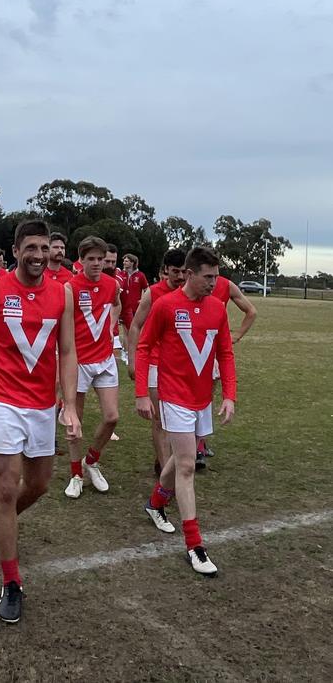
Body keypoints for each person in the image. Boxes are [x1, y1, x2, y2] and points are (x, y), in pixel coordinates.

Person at [0, 219, 81, 624]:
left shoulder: (63, 295)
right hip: (3, 401)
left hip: (42, 406)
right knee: (6, 488)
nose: (39, 255)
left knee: (38, 485)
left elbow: (69, 352)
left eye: (45, 247)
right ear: (16, 248)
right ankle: (11, 581)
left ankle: (2, 522)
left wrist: (70, 405)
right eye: (31, 248)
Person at [135, 247, 236, 577]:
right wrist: (141, 394)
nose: (214, 283)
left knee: (181, 459)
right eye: (208, 277)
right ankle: (195, 545)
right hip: (173, 397)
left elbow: (225, 352)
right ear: (189, 274)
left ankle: (155, 502)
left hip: (202, 398)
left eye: (216, 276)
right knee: (188, 467)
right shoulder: (165, 305)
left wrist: (229, 395)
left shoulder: (217, 310)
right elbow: (144, 346)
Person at [63, 236, 122, 498]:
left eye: (101, 258)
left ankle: (91, 461)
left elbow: (117, 305)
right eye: (92, 259)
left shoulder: (112, 285)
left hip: (105, 360)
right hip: (79, 362)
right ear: (81, 260)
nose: (98, 263)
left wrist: (112, 325)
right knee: (75, 423)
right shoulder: (70, 287)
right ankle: (76, 473)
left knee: (112, 417)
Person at [127, 249, 187, 474]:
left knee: (176, 421)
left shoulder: (190, 295)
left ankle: (163, 461)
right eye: (175, 272)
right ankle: (166, 473)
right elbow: (135, 326)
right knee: (160, 421)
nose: (180, 277)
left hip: (178, 367)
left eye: (183, 272)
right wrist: (133, 360)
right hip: (153, 364)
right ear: (165, 271)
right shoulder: (153, 294)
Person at [194, 274, 257, 467]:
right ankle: (194, 444)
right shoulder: (195, 281)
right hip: (192, 347)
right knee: (196, 396)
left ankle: (198, 445)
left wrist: (235, 336)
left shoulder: (226, 285)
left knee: (203, 397)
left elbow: (251, 311)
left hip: (210, 350)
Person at [120, 253, 149, 364]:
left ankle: (135, 352)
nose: (124, 262)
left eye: (127, 261)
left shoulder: (140, 275)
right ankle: (127, 353)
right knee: (126, 331)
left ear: (132, 262)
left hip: (136, 308)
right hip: (124, 307)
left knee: (136, 331)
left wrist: (143, 300)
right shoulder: (121, 274)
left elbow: (147, 289)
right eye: (124, 261)